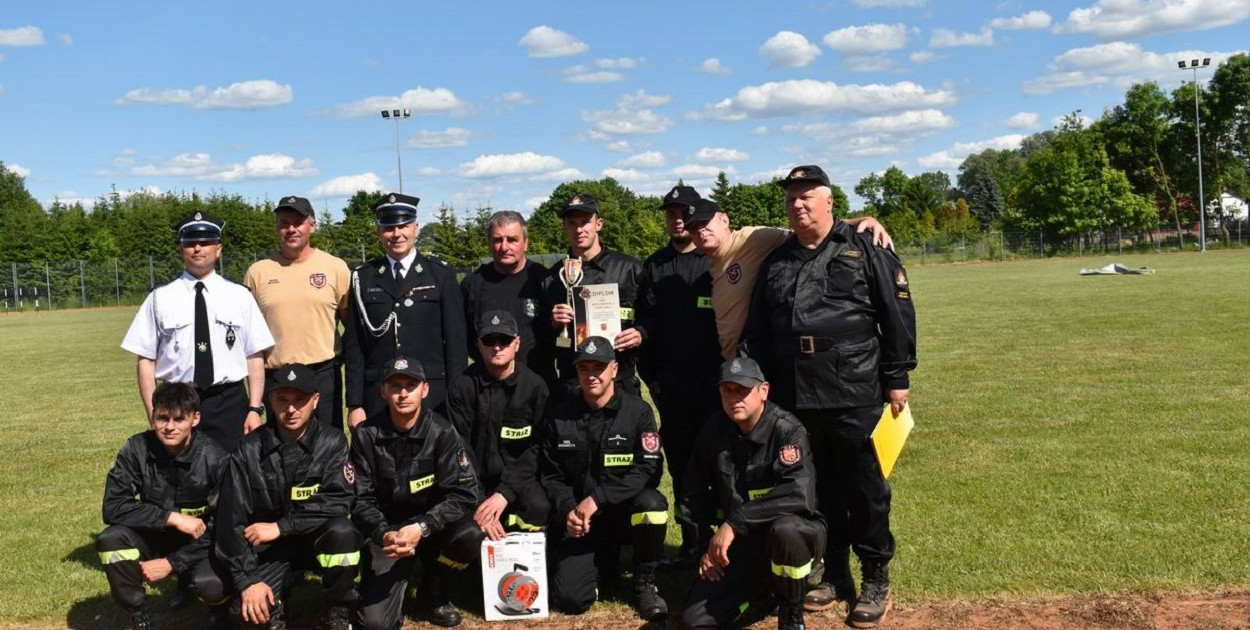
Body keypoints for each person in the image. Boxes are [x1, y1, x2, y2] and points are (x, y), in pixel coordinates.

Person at [740, 165, 917, 628]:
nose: (798, 204)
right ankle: (834, 574)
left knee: (865, 487)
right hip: (795, 390)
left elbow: (896, 313)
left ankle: (876, 576)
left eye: (807, 196)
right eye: (791, 198)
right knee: (816, 489)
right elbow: (758, 329)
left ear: (829, 201)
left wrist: (897, 377)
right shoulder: (778, 259)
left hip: (853, 388)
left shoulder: (863, 245)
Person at [679, 357, 825, 630]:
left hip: (789, 537)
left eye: (742, 389)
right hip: (742, 545)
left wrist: (736, 521)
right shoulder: (714, 429)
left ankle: (790, 605)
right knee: (694, 621)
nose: (734, 398)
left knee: (787, 530)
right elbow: (691, 493)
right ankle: (764, 589)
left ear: (763, 391)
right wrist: (703, 548)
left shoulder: (787, 430)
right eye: (727, 389)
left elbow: (799, 494)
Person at [215, 364, 360, 630]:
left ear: (315, 400)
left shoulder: (333, 442)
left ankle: (339, 609)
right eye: (283, 400)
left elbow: (339, 499)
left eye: (300, 400)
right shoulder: (247, 449)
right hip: (269, 549)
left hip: (315, 539)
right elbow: (230, 519)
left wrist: (282, 526)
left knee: (343, 531)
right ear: (270, 400)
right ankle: (278, 601)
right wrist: (247, 582)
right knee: (247, 618)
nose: (291, 409)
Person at [538, 336, 668, 621]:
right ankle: (603, 565)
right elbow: (551, 475)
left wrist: (599, 497)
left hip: (623, 514)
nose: (591, 375)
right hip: (580, 522)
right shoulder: (559, 417)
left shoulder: (638, 412)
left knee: (652, 505)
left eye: (599, 367)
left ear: (614, 369)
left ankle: (645, 581)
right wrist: (568, 510)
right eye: (584, 368)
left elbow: (649, 470)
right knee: (570, 600)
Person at [121, 211, 274, 451]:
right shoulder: (160, 298)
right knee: (179, 477)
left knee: (231, 475)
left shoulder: (240, 296)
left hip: (228, 403)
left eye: (206, 242)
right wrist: (154, 412)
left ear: (219, 249)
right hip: (177, 401)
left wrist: (255, 408)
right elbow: (145, 359)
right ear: (182, 249)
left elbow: (254, 355)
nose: (198, 248)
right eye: (190, 242)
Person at [351, 356, 483, 629]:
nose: (402, 394)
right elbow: (360, 500)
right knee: (375, 624)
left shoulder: (443, 431)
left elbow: (464, 493)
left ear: (424, 389)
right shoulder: (366, 435)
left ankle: (432, 592)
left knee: (470, 535)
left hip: (431, 526)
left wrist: (423, 526)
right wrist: (383, 534)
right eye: (395, 386)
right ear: (383, 391)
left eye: (410, 386)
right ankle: (389, 587)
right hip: (389, 533)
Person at [684, 198, 893, 359]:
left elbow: (806, 231)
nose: (700, 230)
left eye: (705, 222)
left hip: (760, 359)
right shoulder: (711, 268)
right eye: (693, 228)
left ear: (725, 220)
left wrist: (860, 221)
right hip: (734, 362)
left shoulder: (752, 238)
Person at [635, 184, 722, 568]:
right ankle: (691, 544)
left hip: (717, 387)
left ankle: (721, 542)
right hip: (672, 389)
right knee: (683, 466)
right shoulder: (653, 266)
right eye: (670, 212)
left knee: (721, 464)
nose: (677, 218)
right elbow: (644, 326)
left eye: (684, 211)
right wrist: (653, 381)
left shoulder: (715, 259)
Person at [97, 382, 231, 630]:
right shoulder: (136, 449)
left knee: (211, 585)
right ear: (152, 415)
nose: (170, 427)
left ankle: (220, 609)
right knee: (111, 540)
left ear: (195, 418)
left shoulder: (216, 458)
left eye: (179, 419)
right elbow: (113, 507)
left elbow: (226, 526)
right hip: (156, 535)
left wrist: (172, 564)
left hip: (200, 544)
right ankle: (136, 613)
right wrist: (170, 517)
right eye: (162, 418)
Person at [344, 193, 467, 427]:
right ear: (379, 232)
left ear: (416, 228)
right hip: (380, 393)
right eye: (389, 228)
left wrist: (456, 396)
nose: (397, 234)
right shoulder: (363, 277)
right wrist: (354, 403)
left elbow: (456, 344)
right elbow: (355, 346)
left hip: (431, 393)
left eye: (404, 226)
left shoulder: (440, 274)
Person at [244, 195, 351, 429]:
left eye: (298, 222)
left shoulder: (335, 267)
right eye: (284, 223)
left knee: (327, 447)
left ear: (312, 225)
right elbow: (248, 334)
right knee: (278, 450)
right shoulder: (258, 272)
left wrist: (337, 359)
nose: (291, 229)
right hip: (276, 376)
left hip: (322, 374)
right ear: (277, 227)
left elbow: (350, 325)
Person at [446, 310, 551, 540]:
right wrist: (481, 500)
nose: (497, 347)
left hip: (518, 479)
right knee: (465, 531)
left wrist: (505, 492)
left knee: (538, 507)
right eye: (489, 340)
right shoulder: (461, 386)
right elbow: (458, 448)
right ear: (478, 345)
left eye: (504, 340)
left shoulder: (535, 387)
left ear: (517, 343)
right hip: (471, 481)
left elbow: (537, 448)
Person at [546, 194, 645, 401]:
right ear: (565, 227)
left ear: (599, 224)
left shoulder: (629, 268)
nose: (579, 229)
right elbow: (540, 333)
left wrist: (641, 332)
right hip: (573, 381)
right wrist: (553, 322)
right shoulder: (553, 277)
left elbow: (652, 316)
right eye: (572, 223)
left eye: (585, 222)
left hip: (619, 378)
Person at [460, 211, 557, 384]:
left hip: (539, 383)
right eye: (497, 240)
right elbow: (462, 336)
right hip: (487, 384)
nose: (504, 247)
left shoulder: (545, 280)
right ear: (489, 243)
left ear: (525, 243)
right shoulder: (472, 284)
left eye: (512, 240)